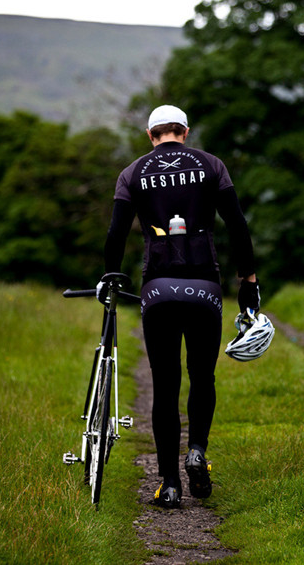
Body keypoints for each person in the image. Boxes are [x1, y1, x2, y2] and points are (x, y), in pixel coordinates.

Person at [100, 104, 260, 508]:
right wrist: (249, 281)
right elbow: (237, 224)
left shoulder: (132, 173)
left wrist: (110, 274)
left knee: (166, 385)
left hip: (158, 288)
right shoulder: (211, 165)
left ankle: (169, 484)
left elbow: (117, 232)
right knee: (202, 377)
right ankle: (198, 452)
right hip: (204, 285)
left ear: (151, 135)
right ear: (184, 132)